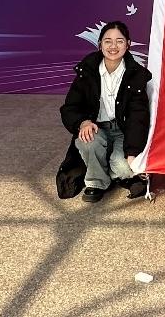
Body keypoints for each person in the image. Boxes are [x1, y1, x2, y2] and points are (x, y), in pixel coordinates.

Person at [59, 21, 152, 202]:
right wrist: (83, 122)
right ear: (100, 44)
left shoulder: (137, 75)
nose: (113, 46)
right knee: (88, 141)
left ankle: (108, 166)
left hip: (123, 131)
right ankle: (96, 182)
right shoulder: (86, 71)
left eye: (119, 41)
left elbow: (138, 117)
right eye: (108, 41)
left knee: (124, 167)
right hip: (97, 127)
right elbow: (70, 107)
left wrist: (132, 153)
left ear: (128, 44)